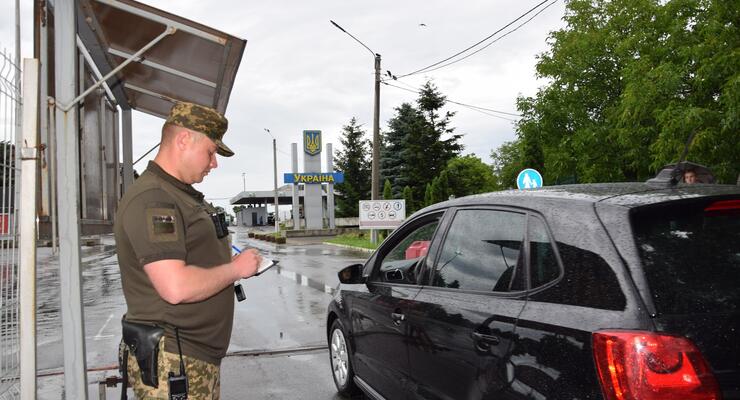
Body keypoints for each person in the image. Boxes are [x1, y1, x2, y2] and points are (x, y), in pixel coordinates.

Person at [114, 101, 262, 399]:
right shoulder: (155, 199)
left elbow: (189, 258)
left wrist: (225, 263)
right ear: (183, 140)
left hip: (191, 357)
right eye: (210, 152)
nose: (214, 163)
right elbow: (175, 286)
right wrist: (235, 269)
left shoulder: (177, 194)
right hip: (176, 359)